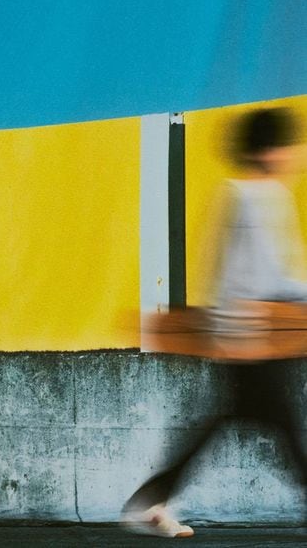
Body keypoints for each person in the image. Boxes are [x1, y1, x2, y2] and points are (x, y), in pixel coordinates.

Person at [122, 107, 307, 538]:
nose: (293, 154)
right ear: (268, 150)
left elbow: (220, 271)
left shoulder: (237, 193)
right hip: (254, 339)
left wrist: (220, 327)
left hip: (241, 336)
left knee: (241, 422)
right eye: (287, 146)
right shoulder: (262, 198)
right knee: (278, 427)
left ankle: (151, 502)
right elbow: (271, 277)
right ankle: (149, 503)